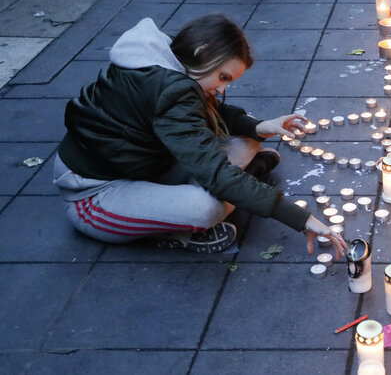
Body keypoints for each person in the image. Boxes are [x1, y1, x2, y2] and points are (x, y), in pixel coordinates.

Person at [53, 14, 347, 259]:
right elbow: (215, 169)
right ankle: (179, 230)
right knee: (206, 208)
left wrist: (260, 126)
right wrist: (301, 219)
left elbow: (210, 112)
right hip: (94, 195)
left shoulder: (167, 65)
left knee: (251, 138)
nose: (221, 89)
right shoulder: (171, 88)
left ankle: (242, 185)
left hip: (149, 165)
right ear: (200, 51)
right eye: (223, 77)